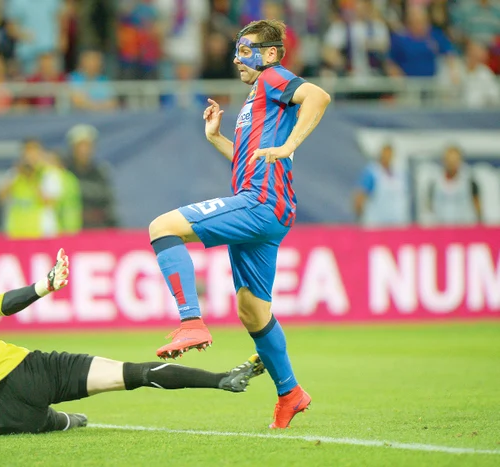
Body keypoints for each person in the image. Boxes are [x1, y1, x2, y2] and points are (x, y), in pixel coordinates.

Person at [0, 252, 265, 435]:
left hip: (0, 414)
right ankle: (222, 379)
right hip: (30, 373)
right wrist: (44, 285)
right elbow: (1, 305)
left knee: (45, 422)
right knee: (132, 374)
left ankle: (63, 421)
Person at [147, 19, 331, 429]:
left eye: (246, 50)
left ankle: (191, 322)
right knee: (251, 310)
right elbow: (250, 160)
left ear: (270, 54)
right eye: (236, 50)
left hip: (260, 203)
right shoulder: (256, 99)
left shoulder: (273, 79)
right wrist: (216, 139)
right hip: (269, 209)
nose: (236, 58)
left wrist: (289, 145)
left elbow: (318, 96)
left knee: (162, 227)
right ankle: (290, 393)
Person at [0, 139, 62, 239]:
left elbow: (50, 203)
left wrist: (34, 179)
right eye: (27, 151)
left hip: (42, 230)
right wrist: (17, 174)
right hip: (16, 229)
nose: (30, 156)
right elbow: (1, 197)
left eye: (33, 151)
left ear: (40, 153)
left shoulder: (49, 174)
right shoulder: (15, 173)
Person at [66, 124, 117, 229]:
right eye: (80, 146)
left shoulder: (100, 173)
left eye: (88, 146)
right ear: (73, 148)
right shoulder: (64, 173)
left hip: (98, 230)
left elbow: (108, 204)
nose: (84, 150)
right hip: (70, 230)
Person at [352, 144, 410, 227]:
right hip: (376, 223)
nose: (387, 157)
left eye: (390, 154)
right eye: (385, 154)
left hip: (397, 222)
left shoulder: (399, 173)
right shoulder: (373, 172)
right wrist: (359, 214)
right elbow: (361, 194)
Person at [428, 146, 481, 226]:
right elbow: (429, 207)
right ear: (443, 161)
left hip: (465, 227)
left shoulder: (469, 181)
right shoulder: (434, 183)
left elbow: (477, 206)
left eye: (455, 161)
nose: (452, 164)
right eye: (449, 161)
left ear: (460, 161)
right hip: (440, 227)